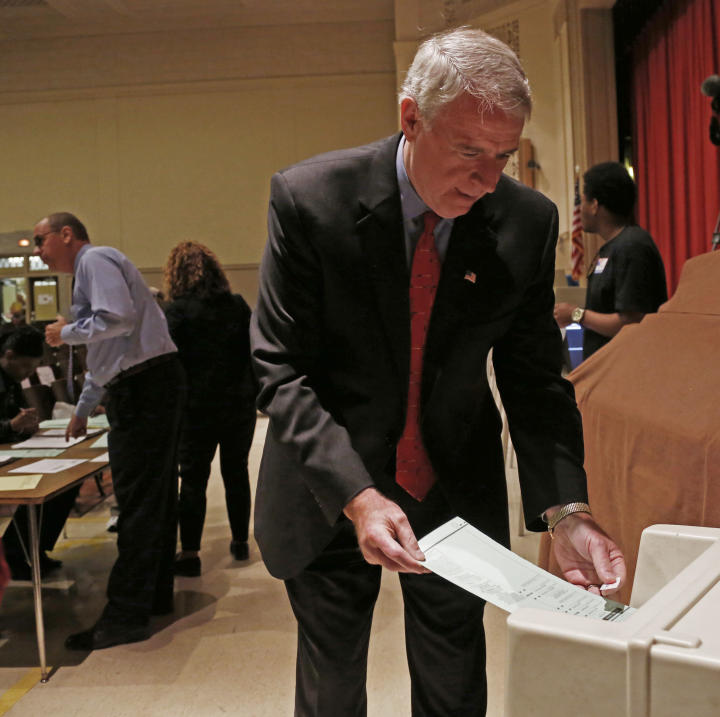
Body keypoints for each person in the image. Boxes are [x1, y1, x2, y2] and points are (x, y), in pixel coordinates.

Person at [252, 27, 627, 717]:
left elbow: (534, 379)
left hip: (450, 483)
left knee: (455, 684)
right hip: (327, 484)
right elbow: (279, 368)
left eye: (503, 155)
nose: (487, 179)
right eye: (467, 151)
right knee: (331, 684)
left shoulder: (524, 220)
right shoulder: (312, 201)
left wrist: (566, 508)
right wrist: (358, 496)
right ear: (410, 118)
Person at [35, 212, 185, 651]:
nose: (39, 252)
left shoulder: (94, 259)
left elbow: (114, 320)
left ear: (67, 235)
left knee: (138, 502)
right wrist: (83, 409)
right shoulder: (93, 267)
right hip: (149, 384)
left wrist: (67, 333)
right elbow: (111, 351)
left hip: (145, 388)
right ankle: (153, 596)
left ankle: (125, 614)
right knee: (152, 500)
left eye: (40, 241)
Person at [163, 241, 258, 576]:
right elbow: (253, 354)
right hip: (238, 404)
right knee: (237, 473)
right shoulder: (236, 306)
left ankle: (190, 553)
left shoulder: (174, 312)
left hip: (195, 409)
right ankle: (240, 542)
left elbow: (170, 365)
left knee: (192, 479)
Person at [554, 162, 668, 360]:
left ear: (595, 205)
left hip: (629, 370)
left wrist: (576, 314)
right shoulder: (614, 246)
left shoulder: (632, 246)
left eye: (583, 201)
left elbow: (631, 322)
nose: (580, 208)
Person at [0, 325, 80, 581]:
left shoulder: (10, 380)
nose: (28, 374)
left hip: (10, 450)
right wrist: (11, 426)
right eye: (25, 367)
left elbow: (15, 415)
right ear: (9, 355)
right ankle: (13, 552)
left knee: (65, 482)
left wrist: (25, 425)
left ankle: (32, 548)